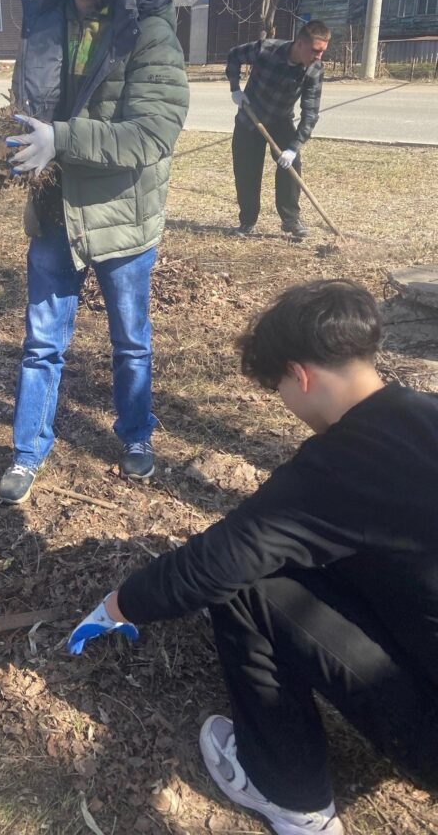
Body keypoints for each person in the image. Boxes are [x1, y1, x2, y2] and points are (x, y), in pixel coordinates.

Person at [67, 279, 438, 835]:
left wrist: (119, 605)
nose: (287, 405)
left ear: (301, 374)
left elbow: (216, 563)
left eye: (280, 389)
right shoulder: (425, 413)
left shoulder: (340, 464)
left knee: (247, 585)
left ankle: (291, 798)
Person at [0, 0, 189, 504]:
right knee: (41, 342)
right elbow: (32, 104)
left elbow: (151, 134)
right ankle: (28, 450)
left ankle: (135, 434)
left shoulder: (147, 28)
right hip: (54, 212)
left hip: (121, 217)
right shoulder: (47, 18)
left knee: (130, 340)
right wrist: (16, 143)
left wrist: (60, 138)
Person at [226, 20, 330, 239]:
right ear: (300, 44)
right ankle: (247, 221)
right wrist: (235, 88)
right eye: (315, 51)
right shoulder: (266, 50)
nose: (318, 57)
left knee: (291, 168)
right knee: (246, 171)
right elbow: (234, 55)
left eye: (322, 52)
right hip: (250, 119)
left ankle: (290, 221)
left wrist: (293, 147)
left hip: (281, 120)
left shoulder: (314, 70)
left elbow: (310, 112)